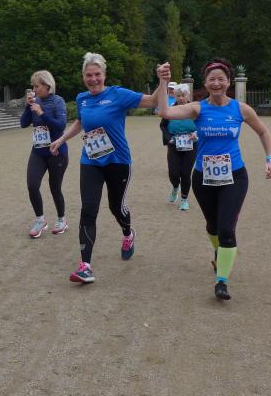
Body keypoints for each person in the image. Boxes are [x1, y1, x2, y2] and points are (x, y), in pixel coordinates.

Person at [158, 58, 271, 300]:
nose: (216, 83)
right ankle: (218, 252)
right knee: (212, 226)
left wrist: (270, 159)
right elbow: (165, 112)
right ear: (205, 83)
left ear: (228, 82)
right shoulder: (197, 109)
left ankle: (221, 281)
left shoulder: (241, 109)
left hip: (234, 177)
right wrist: (163, 82)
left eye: (221, 79)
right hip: (204, 178)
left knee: (226, 229)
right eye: (211, 79)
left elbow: (263, 131)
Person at [50, 53, 170, 283]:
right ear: (83, 77)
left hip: (118, 162)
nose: (93, 79)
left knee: (116, 207)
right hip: (91, 161)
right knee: (88, 210)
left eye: (97, 74)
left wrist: (162, 80)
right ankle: (85, 266)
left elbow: (153, 101)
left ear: (104, 75)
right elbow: (81, 122)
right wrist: (62, 139)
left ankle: (128, 233)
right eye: (89, 75)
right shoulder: (82, 99)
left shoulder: (118, 94)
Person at [21, 70, 69, 238]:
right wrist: (28, 106)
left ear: (47, 85)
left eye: (37, 86)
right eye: (33, 86)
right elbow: (23, 123)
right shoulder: (34, 102)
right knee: (32, 185)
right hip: (38, 152)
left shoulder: (58, 101)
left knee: (55, 188)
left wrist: (42, 113)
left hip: (57, 152)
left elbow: (60, 126)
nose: (34, 90)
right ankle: (40, 220)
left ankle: (62, 219)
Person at [160, 84, 198, 210]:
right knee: (173, 173)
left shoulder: (195, 110)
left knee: (186, 173)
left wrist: (196, 133)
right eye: (178, 96)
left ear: (188, 96)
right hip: (174, 144)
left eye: (183, 95)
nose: (181, 98)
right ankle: (175, 188)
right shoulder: (170, 109)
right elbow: (163, 125)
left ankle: (184, 200)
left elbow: (203, 124)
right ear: (175, 96)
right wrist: (169, 138)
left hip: (191, 144)